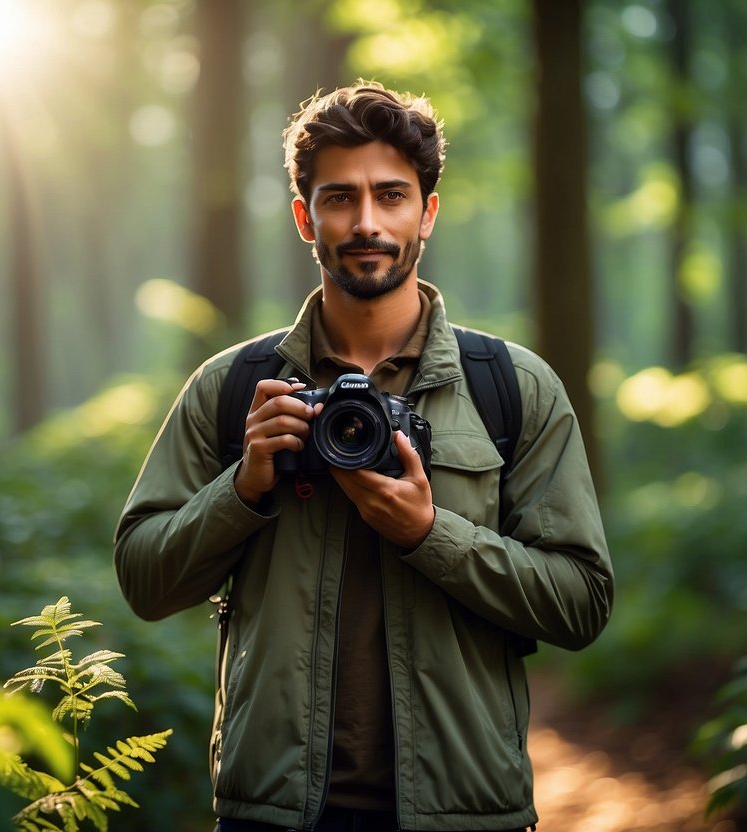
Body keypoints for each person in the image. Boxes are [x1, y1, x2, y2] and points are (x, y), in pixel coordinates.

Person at [115, 82, 613, 832]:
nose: (367, 222)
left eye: (391, 195)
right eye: (339, 198)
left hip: (465, 811)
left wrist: (427, 534)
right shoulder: (232, 389)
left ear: (428, 213)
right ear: (302, 217)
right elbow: (145, 581)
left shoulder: (511, 388)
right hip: (272, 813)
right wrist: (243, 488)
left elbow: (580, 602)